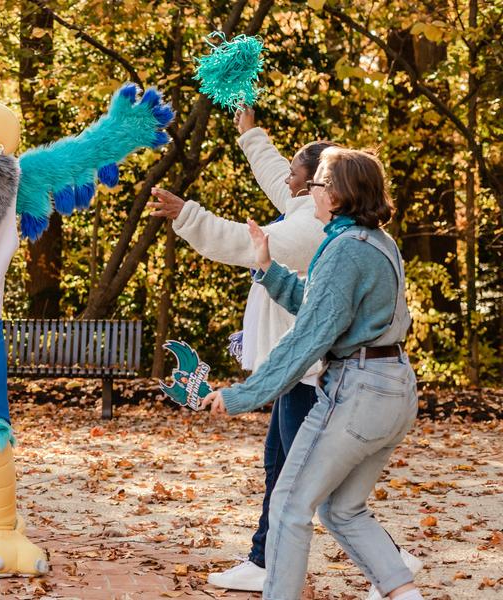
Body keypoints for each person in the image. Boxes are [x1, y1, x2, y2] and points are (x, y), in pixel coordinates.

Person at [201, 148, 424, 600]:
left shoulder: (345, 249)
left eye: (318, 184)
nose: (311, 192)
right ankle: (405, 595)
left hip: (358, 392)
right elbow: (323, 304)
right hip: (394, 388)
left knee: (288, 505)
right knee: (343, 511)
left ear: (338, 193)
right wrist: (267, 268)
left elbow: (307, 339)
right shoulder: (377, 242)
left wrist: (244, 394)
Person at [150, 109, 333, 591]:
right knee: (282, 467)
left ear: (314, 183)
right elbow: (274, 171)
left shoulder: (311, 228)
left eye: (296, 170)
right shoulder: (304, 208)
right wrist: (249, 131)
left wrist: (185, 213)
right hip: (295, 370)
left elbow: (245, 242)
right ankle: (262, 560)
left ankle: (389, 563)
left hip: (307, 373)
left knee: (309, 482)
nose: (286, 175)